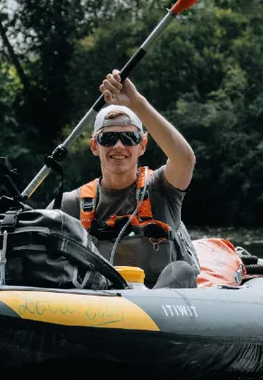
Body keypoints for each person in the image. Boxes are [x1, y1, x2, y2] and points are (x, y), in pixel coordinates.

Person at [58, 69, 200, 287]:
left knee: (181, 270)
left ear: (142, 146)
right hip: (100, 301)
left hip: (161, 300)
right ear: (95, 146)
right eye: (109, 138)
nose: (118, 146)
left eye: (128, 138)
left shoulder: (161, 189)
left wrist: (136, 103)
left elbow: (185, 160)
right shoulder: (71, 204)